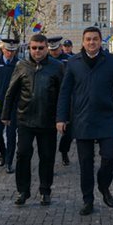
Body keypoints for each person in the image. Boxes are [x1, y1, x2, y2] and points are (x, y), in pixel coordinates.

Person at [56, 27, 113, 216]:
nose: (91, 42)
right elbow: (64, 93)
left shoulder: (112, 61)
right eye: (88, 39)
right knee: (85, 163)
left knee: (109, 157)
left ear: (100, 41)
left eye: (95, 39)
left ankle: (104, 185)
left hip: (106, 118)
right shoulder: (73, 63)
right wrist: (61, 118)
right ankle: (87, 200)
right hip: (82, 119)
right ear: (83, 41)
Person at [2, 34, 65, 206]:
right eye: (34, 48)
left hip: (48, 121)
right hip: (25, 120)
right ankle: (23, 191)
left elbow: (63, 95)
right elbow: (11, 92)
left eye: (41, 48)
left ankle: (45, 190)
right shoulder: (21, 65)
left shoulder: (57, 67)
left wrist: (62, 118)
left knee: (47, 157)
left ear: (47, 48)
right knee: (22, 155)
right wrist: (6, 114)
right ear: (29, 48)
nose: (37, 51)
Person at [0, 39, 19, 172]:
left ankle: (9, 162)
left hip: (13, 105)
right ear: (2, 49)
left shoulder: (20, 64)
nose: (10, 53)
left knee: (12, 135)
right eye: (8, 50)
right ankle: (3, 152)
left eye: (12, 51)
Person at [48, 35, 73, 166]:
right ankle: (50, 161)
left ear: (60, 47)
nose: (54, 52)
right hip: (50, 100)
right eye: (51, 50)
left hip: (67, 99)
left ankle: (64, 150)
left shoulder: (70, 60)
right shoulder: (46, 60)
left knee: (68, 131)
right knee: (50, 133)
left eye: (56, 49)